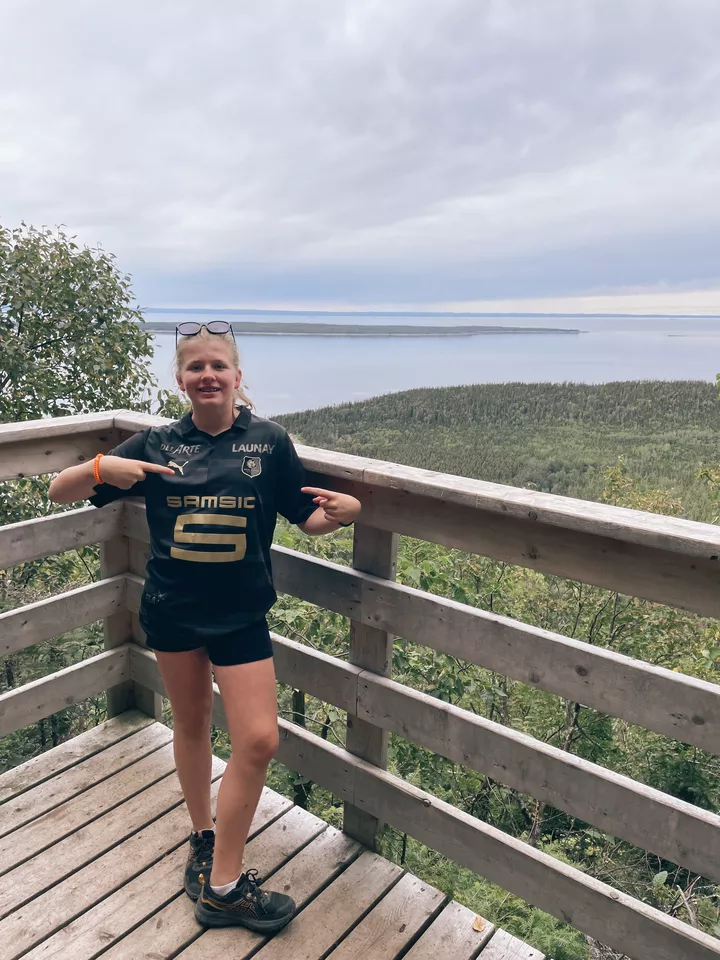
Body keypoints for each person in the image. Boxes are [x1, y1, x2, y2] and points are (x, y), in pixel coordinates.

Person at [48, 321, 361, 932]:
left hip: (242, 615)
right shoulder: (157, 442)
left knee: (258, 741)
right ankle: (209, 849)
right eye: (196, 367)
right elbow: (60, 492)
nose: (208, 376)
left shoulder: (270, 443)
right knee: (190, 726)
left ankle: (219, 882)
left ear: (238, 378)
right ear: (181, 380)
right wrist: (101, 465)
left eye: (219, 366)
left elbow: (305, 517)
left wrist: (346, 515)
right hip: (171, 611)